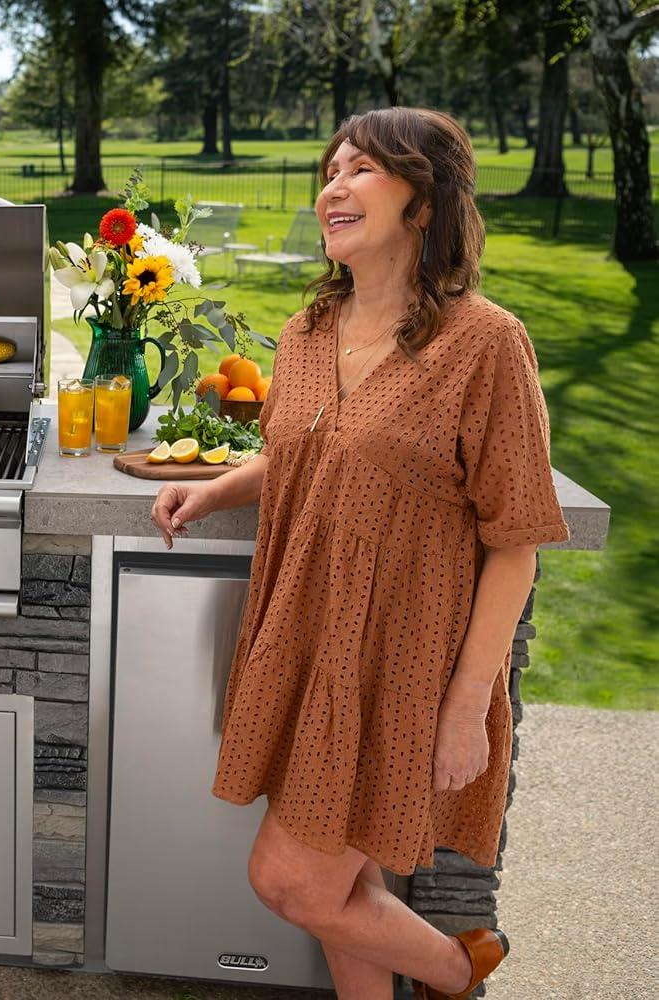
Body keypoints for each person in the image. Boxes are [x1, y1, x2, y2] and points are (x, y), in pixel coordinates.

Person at [151, 107, 568, 1000]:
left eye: (362, 171)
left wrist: (465, 707)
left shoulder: (485, 344)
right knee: (349, 882)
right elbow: (314, 445)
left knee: (292, 881)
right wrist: (218, 487)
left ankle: (458, 968)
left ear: (425, 202)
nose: (332, 188)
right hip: (304, 645)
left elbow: (518, 542)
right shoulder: (305, 332)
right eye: (330, 170)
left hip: (404, 667)